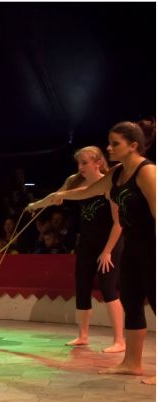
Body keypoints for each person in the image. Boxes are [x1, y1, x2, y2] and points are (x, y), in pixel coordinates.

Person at [27, 120, 155, 383]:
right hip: (132, 247)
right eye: (109, 142)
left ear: (133, 146)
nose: (109, 148)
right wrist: (43, 201)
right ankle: (132, 363)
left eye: (115, 143)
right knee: (131, 302)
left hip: (151, 246)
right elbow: (86, 191)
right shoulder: (117, 174)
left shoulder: (147, 172)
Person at [42, 147, 125, 352]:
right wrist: (35, 205)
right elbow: (56, 195)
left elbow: (119, 223)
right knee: (82, 287)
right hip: (87, 243)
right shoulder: (78, 184)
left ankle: (120, 340)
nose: (80, 167)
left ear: (98, 163)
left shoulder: (108, 185)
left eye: (85, 163)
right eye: (79, 163)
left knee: (108, 288)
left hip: (109, 243)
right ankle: (83, 336)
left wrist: (107, 251)